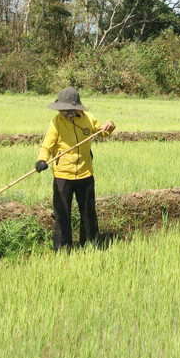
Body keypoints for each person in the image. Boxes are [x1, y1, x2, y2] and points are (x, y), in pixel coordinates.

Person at [35, 87, 115, 250]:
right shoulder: (56, 123)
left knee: (88, 211)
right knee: (62, 213)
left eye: (67, 111)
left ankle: (91, 244)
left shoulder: (88, 118)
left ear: (76, 109)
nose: (64, 114)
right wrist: (42, 160)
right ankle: (63, 248)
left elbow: (101, 132)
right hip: (63, 176)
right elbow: (46, 146)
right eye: (62, 111)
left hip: (85, 173)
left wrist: (110, 126)